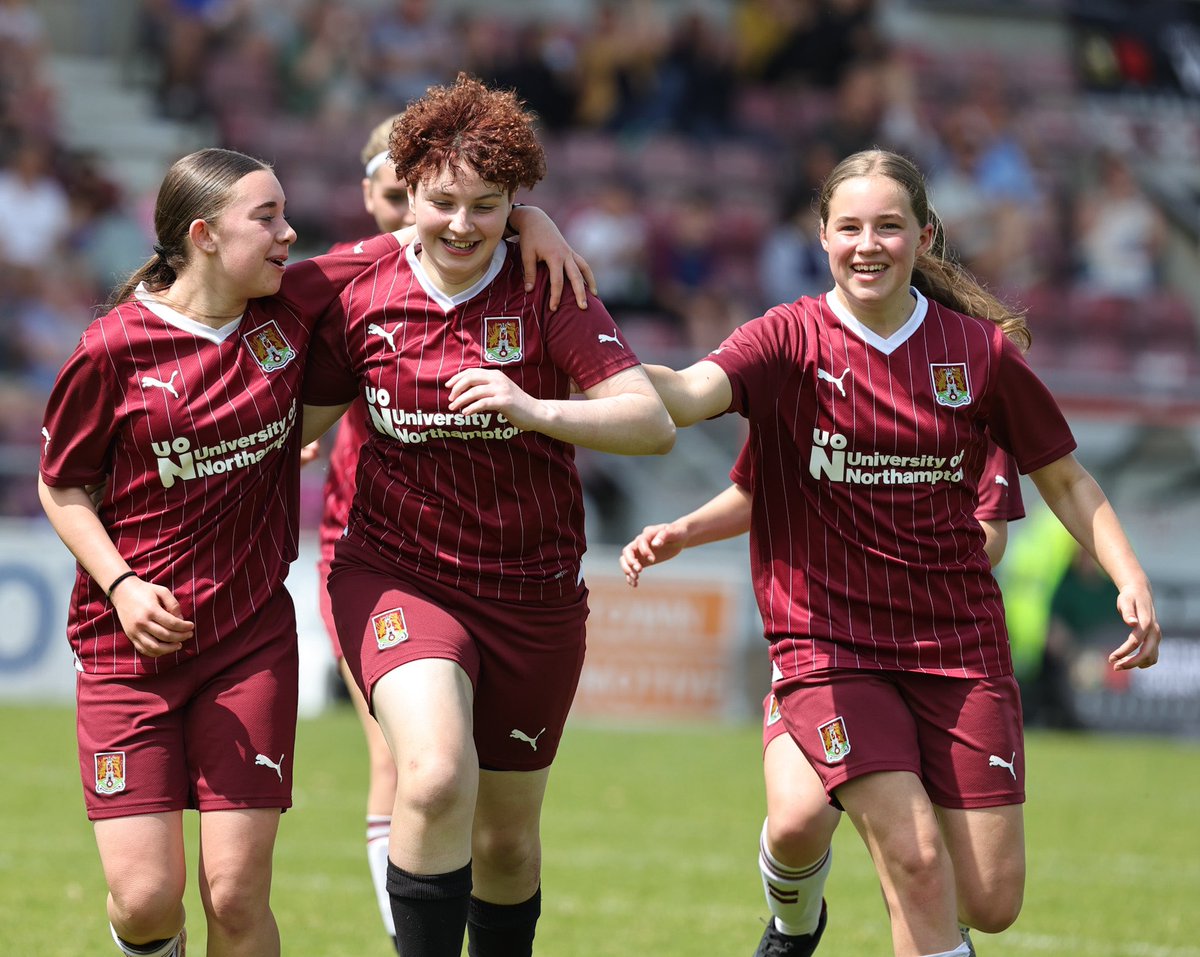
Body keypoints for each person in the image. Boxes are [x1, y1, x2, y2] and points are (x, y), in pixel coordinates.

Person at [37, 144, 598, 957]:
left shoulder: (293, 304)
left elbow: (422, 235)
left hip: (249, 638)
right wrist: (121, 583)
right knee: (146, 901)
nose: (289, 234)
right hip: (130, 644)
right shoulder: (113, 348)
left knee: (235, 892)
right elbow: (62, 484)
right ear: (202, 235)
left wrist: (529, 219)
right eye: (266, 218)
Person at [629, 148, 1161, 957]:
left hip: (956, 645)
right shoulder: (788, 339)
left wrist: (1130, 576)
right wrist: (603, 368)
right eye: (849, 226)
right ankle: (794, 919)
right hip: (831, 642)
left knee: (990, 897)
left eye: (888, 225)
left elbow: (1066, 477)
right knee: (907, 855)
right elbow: (692, 393)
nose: (867, 244)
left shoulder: (979, 356)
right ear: (821, 236)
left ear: (925, 235)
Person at [301, 73, 676, 957]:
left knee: (505, 841)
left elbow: (651, 422)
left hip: (531, 590)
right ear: (406, 194)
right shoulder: (361, 287)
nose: (462, 225)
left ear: (516, 206)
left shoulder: (550, 284)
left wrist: (537, 408)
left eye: (487, 204)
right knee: (429, 775)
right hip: (395, 569)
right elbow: (299, 426)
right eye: (441, 203)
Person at [621, 438, 1023, 957]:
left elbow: (993, 530)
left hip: (939, 650)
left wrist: (896, 556)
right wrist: (682, 531)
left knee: (990, 901)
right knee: (798, 824)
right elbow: (757, 488)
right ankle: (794, 930)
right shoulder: (810, 370)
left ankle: (944, 925)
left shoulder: (972, 380)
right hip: (826, 641)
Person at [316, 112, 414, 954]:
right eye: (394, 196)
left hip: (476, 554)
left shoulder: (499, 261)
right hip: (363, 545)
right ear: (368, 193)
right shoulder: (342, 280)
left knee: (474, 784)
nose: (412, 214)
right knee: (401, 759)